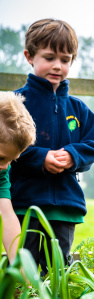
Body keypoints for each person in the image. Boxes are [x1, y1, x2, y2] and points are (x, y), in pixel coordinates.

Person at [11, 19, 94, 273]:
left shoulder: (78, 109)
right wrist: (41, 157)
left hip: (65, 202)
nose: (57, 66)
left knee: (57, 268)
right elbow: (5, 146)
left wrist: (73, 156)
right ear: (30, 56)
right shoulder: (16, 104)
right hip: (25, 201)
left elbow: (93, 144)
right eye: (49, 57)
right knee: (25, 267)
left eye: (65, 59)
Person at [0, 92, 36, 264]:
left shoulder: (1, 171)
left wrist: (20, 267)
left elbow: (6, 215)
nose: (5, 166)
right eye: (1, 158)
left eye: (11, 160)